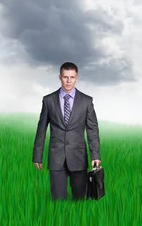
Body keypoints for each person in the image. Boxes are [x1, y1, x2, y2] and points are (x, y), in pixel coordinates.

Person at [32, 62, 101, 200]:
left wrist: (95, 155)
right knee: (58, 201)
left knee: (80, 200)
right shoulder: (48, 100)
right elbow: (41, 129)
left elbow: (92, 130)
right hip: (56, 158)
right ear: (60, 77)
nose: (69, 81)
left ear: (76, 77)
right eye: (65, 77)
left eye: (72, 77)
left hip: (78, 157)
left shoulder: (86, 101)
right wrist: (37, 156)